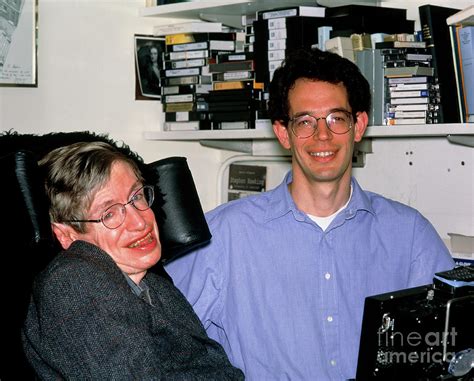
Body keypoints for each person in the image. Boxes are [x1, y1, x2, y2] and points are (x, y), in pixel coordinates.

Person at [165, 48, 455, 380]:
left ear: (358, 125)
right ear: (282, 132)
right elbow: (161, 343)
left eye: (336, 118)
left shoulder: (410, 235)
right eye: (304, 121)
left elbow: (447, 351)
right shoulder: (224, 236)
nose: (322, 136)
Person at [21, 141, 244, 380]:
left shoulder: (155, 286)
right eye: (109, 214)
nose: (140, 222)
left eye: (136, 196)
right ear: (67, 235)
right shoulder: (75, 280)